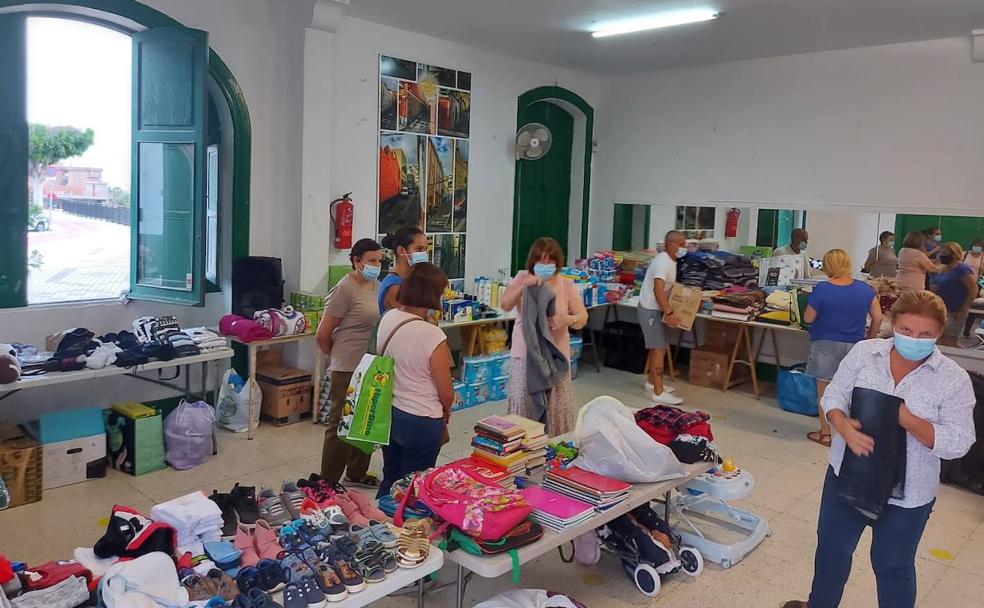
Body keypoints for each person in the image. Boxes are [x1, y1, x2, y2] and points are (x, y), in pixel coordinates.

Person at [783, 290, 976, 608]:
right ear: (893, 324)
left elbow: (960, 441)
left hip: (908, 493)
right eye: (907, 331)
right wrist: (842, 426)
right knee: (832, 552)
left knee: (893, 566)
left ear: (939, 334)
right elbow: (834, 395)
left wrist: (907, 419)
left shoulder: (953, 380)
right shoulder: (865, 353)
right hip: (848, 477)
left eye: (925, 334)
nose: (915, 339)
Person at [374, 263, 454, 498]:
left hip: (391, 413)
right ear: (432, 294)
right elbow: (446, 392)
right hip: (422, 420)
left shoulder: (389, 318)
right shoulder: (432, 335)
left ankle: (379, 523)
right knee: (415, 487)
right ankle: (406, 530)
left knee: (391, 476)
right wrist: (446, 411)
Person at [501, 237, 588, 435]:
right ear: (532, 262)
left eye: (550, 262)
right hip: (525, 355)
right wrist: (524, 286)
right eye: (541, 261)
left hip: (556, 357)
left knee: (556, 409)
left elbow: (582, 317)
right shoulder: (522, 277)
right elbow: (505, 304)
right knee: (524, 407)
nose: (545, 266)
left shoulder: (567, 285)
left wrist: (567, 319)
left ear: (558, 263)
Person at [317, 238, 384, 487]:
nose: (377, 265)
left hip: (371, 364)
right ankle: (327, 482)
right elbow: (323, 334)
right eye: (371, 261)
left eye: (379, 260)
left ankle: (356, 473)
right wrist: (336, 358)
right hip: (346, 365)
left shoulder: (377, 286)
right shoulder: (344, 289)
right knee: (340, 423)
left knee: (366, 420)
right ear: (356, 261)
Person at [802, 249, 882, 447]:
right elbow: (878, 318)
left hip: (825, 345)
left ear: (828, 266)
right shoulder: (865, 289)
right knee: (852, 392)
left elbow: (808, 319)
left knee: (825, 392)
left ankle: (825, 434)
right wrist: (869, 339)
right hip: (855, 347)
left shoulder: (822, 289)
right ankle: (851, 433)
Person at [637, 230, 687, 405]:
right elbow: (658, 290)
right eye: (682, 244)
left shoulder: (672, 261)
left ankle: (652, 382)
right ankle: (658, 392)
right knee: (658, 349)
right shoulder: (662, 263)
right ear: (671, 244)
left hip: (657, 309)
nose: (685, 247)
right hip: (651, 310)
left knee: (658, 347)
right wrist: (670, 313)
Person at [930, 242, 977, 346]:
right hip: (940, 309)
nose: (942, 255)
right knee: (938, 339)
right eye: (941, 253)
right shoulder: (942, 269)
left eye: (945, 253)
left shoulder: (962, 269)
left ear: (955, 254)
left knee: (950, 341)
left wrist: (965, 307)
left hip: (955, 311)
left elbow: (973, 289)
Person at [378, 227, 429, 314]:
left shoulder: (410, 281)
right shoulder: (395, 286)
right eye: (419, 249)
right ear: (401, 251)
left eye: (425, 250)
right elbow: (416, 320)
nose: (424, 254)